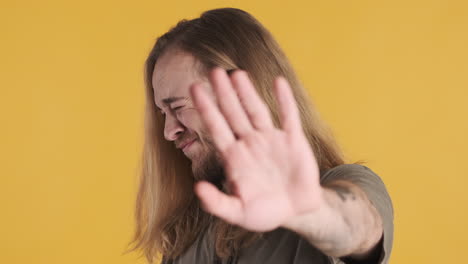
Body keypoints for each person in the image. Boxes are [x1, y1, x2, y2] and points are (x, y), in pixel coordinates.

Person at [127, 7, 394, 264]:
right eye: (163, 113)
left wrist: (311, 210)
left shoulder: (343, 185)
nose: (168, 132)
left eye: (178, 107)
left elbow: (359, 228)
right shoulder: (190, 228)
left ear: (239, 93)